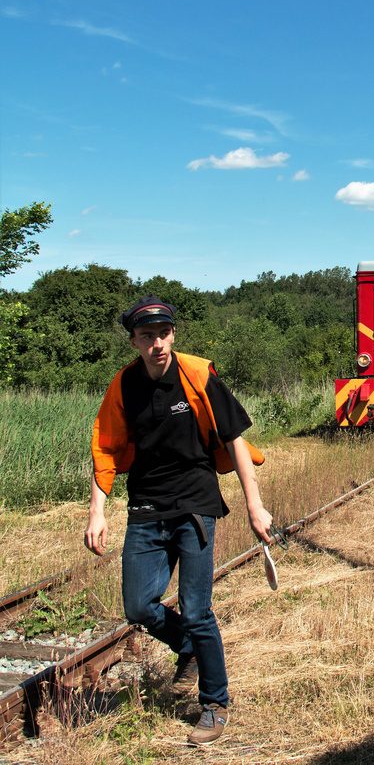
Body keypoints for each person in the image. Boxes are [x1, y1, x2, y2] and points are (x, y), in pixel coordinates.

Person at [84, 296, 273, 745]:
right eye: (146, 336)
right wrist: (97, 511)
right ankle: (187, 650)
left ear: (173, 334)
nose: (157, 344)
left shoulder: (198, 375)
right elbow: (105, 449)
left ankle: (214, 703)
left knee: (196, 609)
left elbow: (236, 440)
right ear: (133, 341)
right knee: (139, 606)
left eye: (163, 334)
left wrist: (254, 504)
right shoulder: (124, 386)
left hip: (195, 505)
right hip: (146, 508)